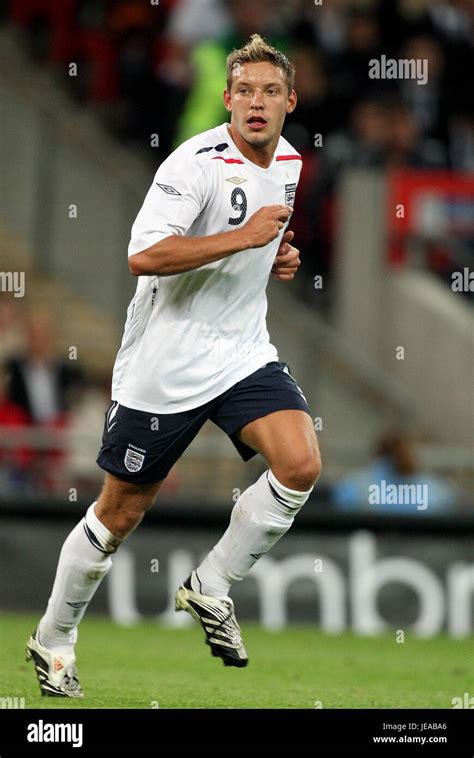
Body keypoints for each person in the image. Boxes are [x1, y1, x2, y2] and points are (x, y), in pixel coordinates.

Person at [26, 33, 321, 697]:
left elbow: (256, 241)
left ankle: (210, 585)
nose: (256, 102)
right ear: (226, 98)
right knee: (119, 513)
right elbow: (145, 254)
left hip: (242, 349)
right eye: (244, 90)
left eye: (270, 91)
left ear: (290, 101)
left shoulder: (293, 164)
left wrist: (274, 258)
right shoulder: (194, 163)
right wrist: (243, 239)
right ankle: (55, 638)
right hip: (168, 360)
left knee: (300, 463)